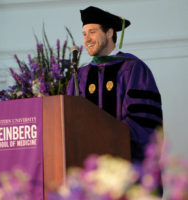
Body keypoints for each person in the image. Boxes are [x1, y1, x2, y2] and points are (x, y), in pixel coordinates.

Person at [67, 6, 163, 164]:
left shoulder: (133, 68)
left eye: (92, 32)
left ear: (110, 33)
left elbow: (143, 120)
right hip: (88, 171)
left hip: (124, 167)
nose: (86, 39)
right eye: (84, 34)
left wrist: (104, 140)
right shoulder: (80, 76)